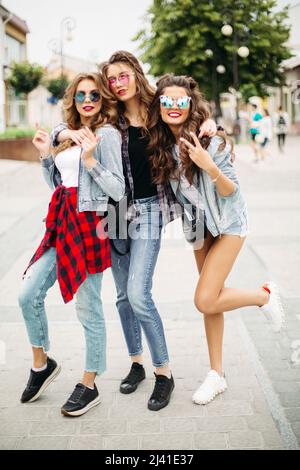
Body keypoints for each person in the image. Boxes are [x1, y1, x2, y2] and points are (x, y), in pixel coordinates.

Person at [51, 51, 216, 411]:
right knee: (123, 297)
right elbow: (62, 128)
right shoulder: (109, 118)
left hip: (152, 208)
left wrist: (209, 125)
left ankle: (164, 372)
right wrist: (62, 131)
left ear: (136, 75)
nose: (117, 83)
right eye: (112, 79)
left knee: (139, 294)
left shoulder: (160, 109)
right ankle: (137, 362)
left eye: (123, 75)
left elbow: (192, 110)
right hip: (116, 213)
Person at [148, 73, 285, 405]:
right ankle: (216, 374)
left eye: (181, 101)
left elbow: (230, 190)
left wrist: (209, 166)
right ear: (160, 106)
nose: (174, 107)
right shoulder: (162, 145)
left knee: (205, 299)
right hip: (197, 229)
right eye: (167, 101)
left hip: (228, 225)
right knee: (212, 297)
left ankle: (263, 296)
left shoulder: (213, 142)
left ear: (191, 104)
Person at [18, 73, 124, 417]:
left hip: (90, 224)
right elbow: (57, 183)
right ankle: (41, 364)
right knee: (27, 293)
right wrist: (47, 154)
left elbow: (119, 191)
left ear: (103, 97)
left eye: (94, 94)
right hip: (61, 219)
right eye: (81, 95)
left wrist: (91, 160)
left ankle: (90, 383)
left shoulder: (106, 135)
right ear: (74, 99)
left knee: (88, 307)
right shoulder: (68, 130)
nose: (88, 99)